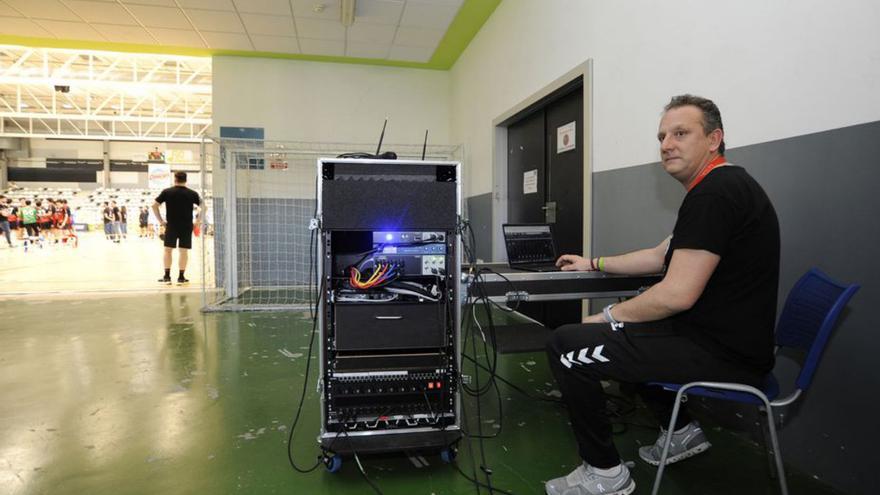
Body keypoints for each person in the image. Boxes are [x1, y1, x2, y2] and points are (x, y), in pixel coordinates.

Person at [544, 95, 780, 495]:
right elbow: (659, 256)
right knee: (636, 326)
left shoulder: (715, 194)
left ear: (714, 138)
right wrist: (593, 262)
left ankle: (605, 474)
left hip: (724, 356)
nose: (667, 144)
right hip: (730, 343)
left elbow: (676, 296)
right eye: (662, 136)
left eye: (681, 133)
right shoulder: (722, 185)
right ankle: (684, 432)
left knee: (567, 346)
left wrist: (609, 317)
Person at [152, 171, 202, 284]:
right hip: (186, 226)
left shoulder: (167, 192)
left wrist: (161, 221)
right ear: (186, 180)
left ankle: (167, 276)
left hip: (171, 225)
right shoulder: (192, 193)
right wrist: (197, 222)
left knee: (168, 250)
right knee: (183, 251)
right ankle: (181, 277)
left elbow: (154, 205)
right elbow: (204, 207)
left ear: (175, 179)